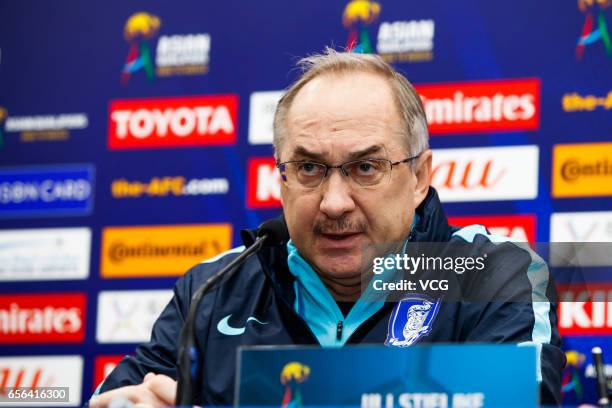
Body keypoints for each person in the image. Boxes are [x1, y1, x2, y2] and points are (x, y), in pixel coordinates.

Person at [89, 49, 565, 407]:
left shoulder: (493, 276)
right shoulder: (213, 289)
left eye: (366, 168)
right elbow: (122, 395)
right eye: (310, 169)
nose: (334, 203)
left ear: (419, 177)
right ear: (281, 175)